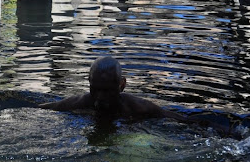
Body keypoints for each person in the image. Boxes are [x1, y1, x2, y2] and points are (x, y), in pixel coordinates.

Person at [40, 56, 233, 135]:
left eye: (107, 90)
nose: (100, 97)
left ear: (122, 85)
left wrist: (224, 131)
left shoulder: (139, 108)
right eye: (95, 89)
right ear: (89, 83)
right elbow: (43, 109)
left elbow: (183, 120)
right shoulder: (80, 102)